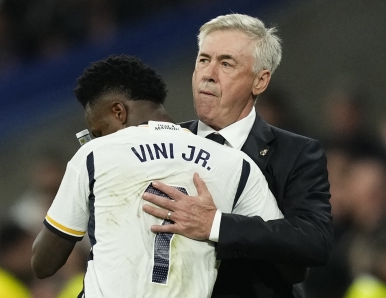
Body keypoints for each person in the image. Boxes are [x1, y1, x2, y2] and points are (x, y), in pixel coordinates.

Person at [31, 55, 283, 297]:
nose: (98, 138)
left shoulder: (95, 154)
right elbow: (288, 262)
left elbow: (43, 264)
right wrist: (219, 225)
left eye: (98, 130)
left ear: (119, 111)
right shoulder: (235, 163)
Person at [141, 13, 333, 297]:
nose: (208, 73)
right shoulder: (160, 142)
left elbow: (313, 242)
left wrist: (216, 224)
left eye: (226, 63)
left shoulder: (297, 153)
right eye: (203, 59)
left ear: (260, 81)